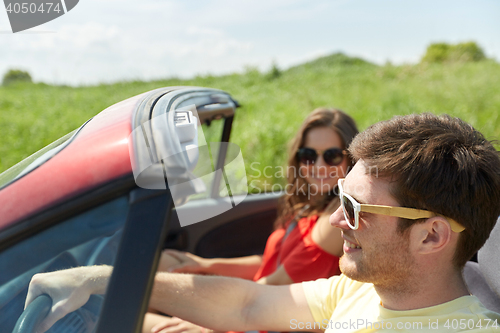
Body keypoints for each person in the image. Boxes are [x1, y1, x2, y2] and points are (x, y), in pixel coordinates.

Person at [26, 113, 500, 333]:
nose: (336, 218)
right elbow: (250, 303)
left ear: (432, 234)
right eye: (340, 199)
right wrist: (100, 279)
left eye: (355, 209)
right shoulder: (364, 290)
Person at [143, 108, 359, 332]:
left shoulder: (338, 215)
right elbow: (271, 261)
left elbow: (276, 283)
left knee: (144, 322)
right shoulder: (311, 203)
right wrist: (206, 264)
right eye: (309, 156)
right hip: (257, 299)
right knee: (164, 262)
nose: (319, 167)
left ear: (351, 159)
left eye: (332, 156)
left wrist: (209, 321)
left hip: (268, 316)